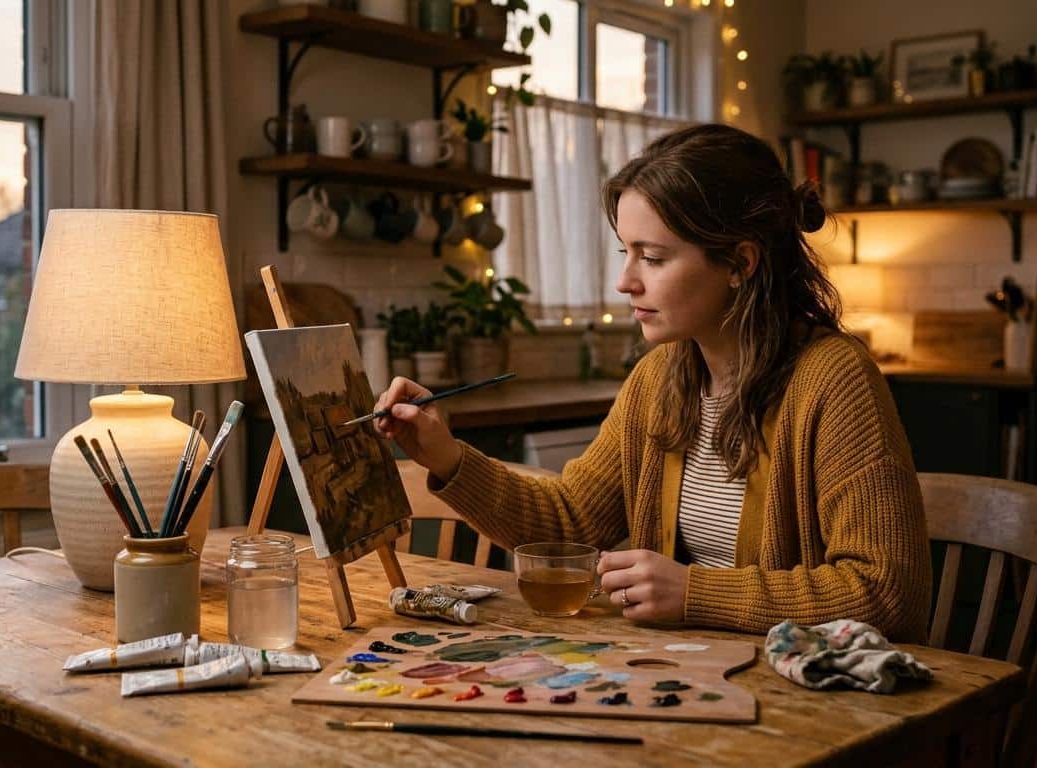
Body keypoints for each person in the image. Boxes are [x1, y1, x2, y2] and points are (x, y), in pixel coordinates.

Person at [375, 123, 931, 641]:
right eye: (626, 252)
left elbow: (886, 593)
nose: (625, 281)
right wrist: (446, 457)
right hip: (684, 675)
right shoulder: (660, 378)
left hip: (797, 697)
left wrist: (695, 593)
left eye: (653, 257)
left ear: (740, 263)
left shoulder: (836, 381)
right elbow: (571, 520)